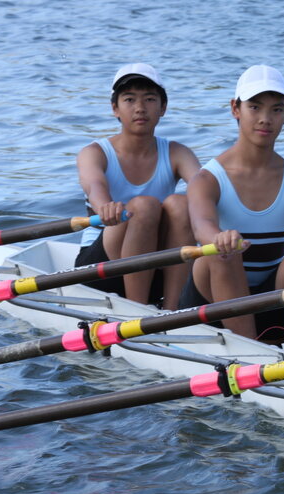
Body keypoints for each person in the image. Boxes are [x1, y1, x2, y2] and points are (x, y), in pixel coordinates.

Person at [183, 65, 284, 347]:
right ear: (235, 109)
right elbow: (202, 227)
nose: (265, 118)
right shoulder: (207, 179)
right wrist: (218, 237)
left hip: (270, 299)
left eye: (276, 109)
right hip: (209, 301)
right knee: (223, 248)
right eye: (255, 107)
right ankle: (251, 353)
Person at [75, 63, 202, 309]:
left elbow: (204, 188)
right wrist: (104, 207)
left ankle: (172, 311)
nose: (140, 108)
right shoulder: (94, 153)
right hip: (100, 269)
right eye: (130, 99)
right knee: (143, 207)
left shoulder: (178, 153)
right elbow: (94, 185)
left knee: (182, 203)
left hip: (155, 268)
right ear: (115, 108)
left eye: (150, 99)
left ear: (163, 107)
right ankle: (136, 312)